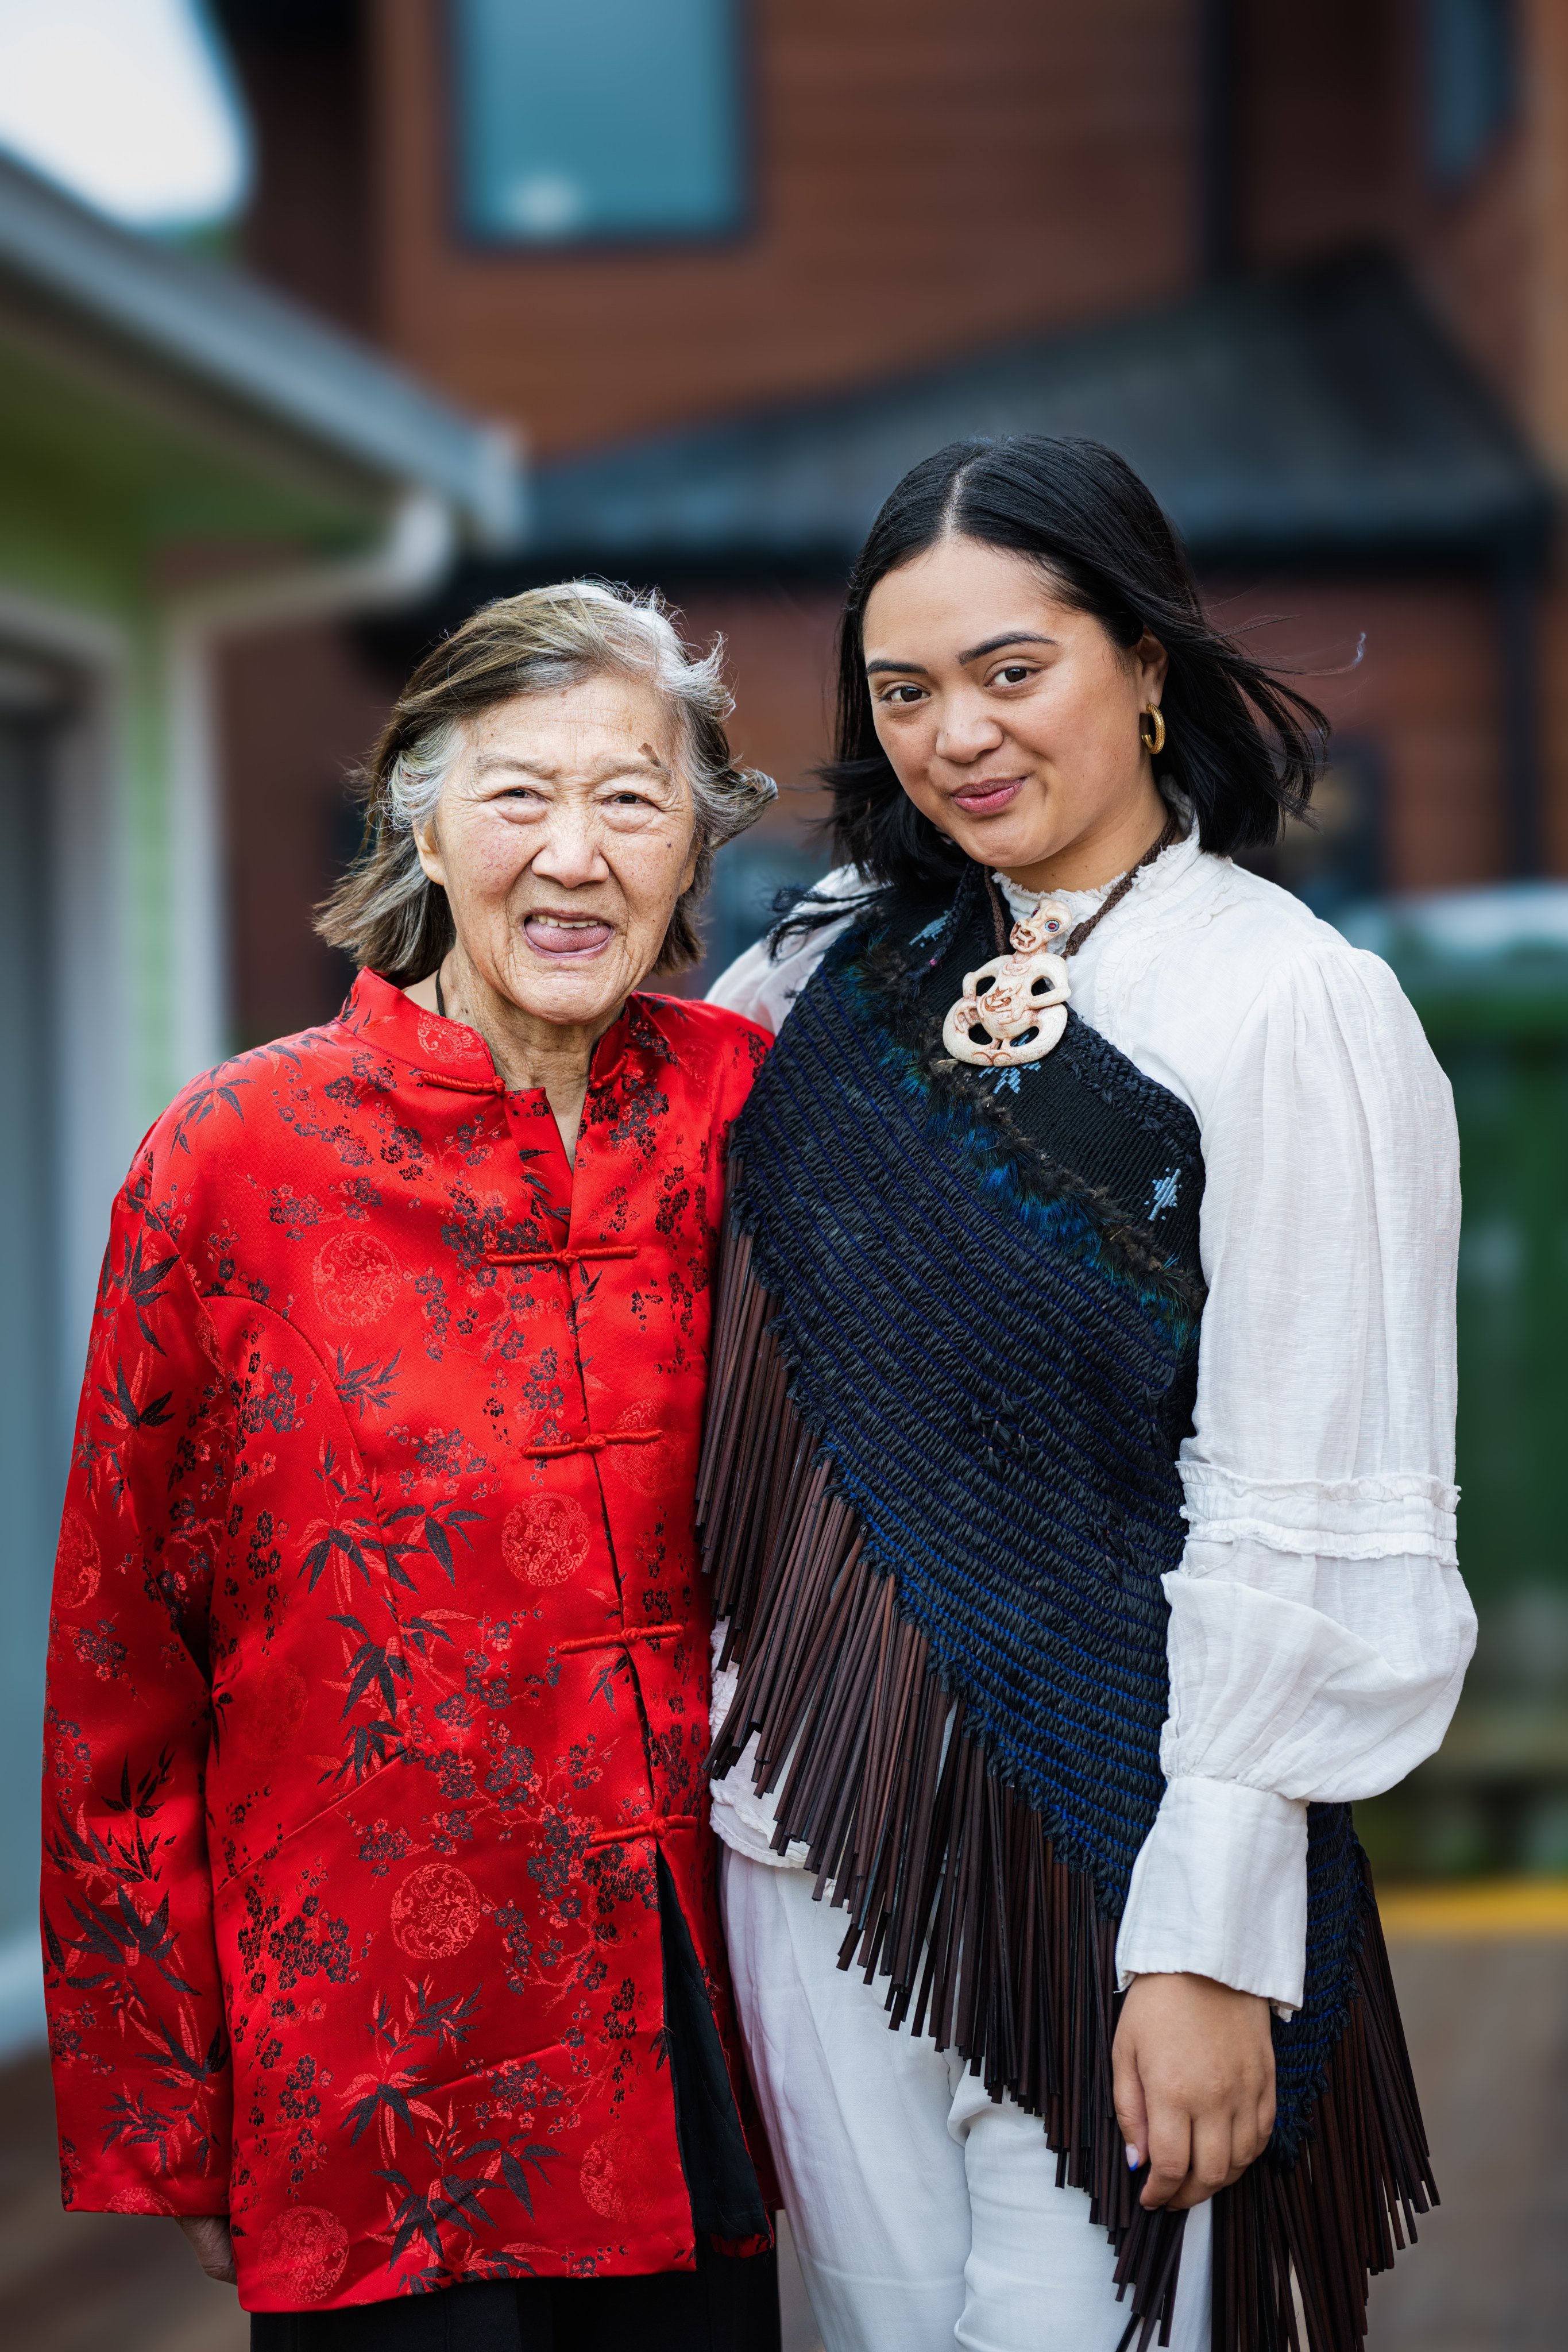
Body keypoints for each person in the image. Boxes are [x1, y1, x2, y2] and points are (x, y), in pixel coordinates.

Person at [696, 437, 1474, 2352]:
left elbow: (1306, 1492)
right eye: (902, 693)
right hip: (801, 1849)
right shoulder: (804, 983)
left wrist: (1213, 1946)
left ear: (1141, 663)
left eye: (1009, 670)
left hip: (1113, 1878)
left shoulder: (1287, 1004)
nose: (955, 735)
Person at [41, 583, 785, 2349]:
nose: (576, 852)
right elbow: (119, 1662)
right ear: (420, 823)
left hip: (707, 2015)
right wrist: (173, 2107)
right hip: (373, 2041)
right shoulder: (233, 1160)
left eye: (632, 798)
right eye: (520, 793)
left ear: (697, 849)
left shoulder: (761, 1115)